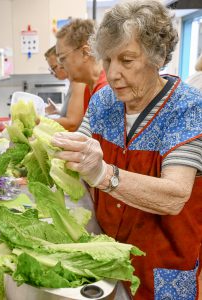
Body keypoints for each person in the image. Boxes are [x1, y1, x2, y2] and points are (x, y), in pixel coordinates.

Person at [52, 1, 202, 299]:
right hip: (109, 255)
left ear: (157, 57)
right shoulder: (103, 101)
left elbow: (175, 196)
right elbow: (77, 154)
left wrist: (104, 174)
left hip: (164, 265)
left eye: (127, 60)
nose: (114, 73)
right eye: (107, 60)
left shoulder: (188, 107)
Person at [55, 18, 107, 114]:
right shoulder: (89, 88)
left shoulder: (106, 93)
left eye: (62, 58)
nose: (60, 66)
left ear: (85, 53)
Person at [44, 46, 86, 131]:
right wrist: (58, 111)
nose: (52, 73)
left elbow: (72, 124)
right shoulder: (72, 83)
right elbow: (78, 114)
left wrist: (39, 120)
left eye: (53, 67)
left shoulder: (78, 83)